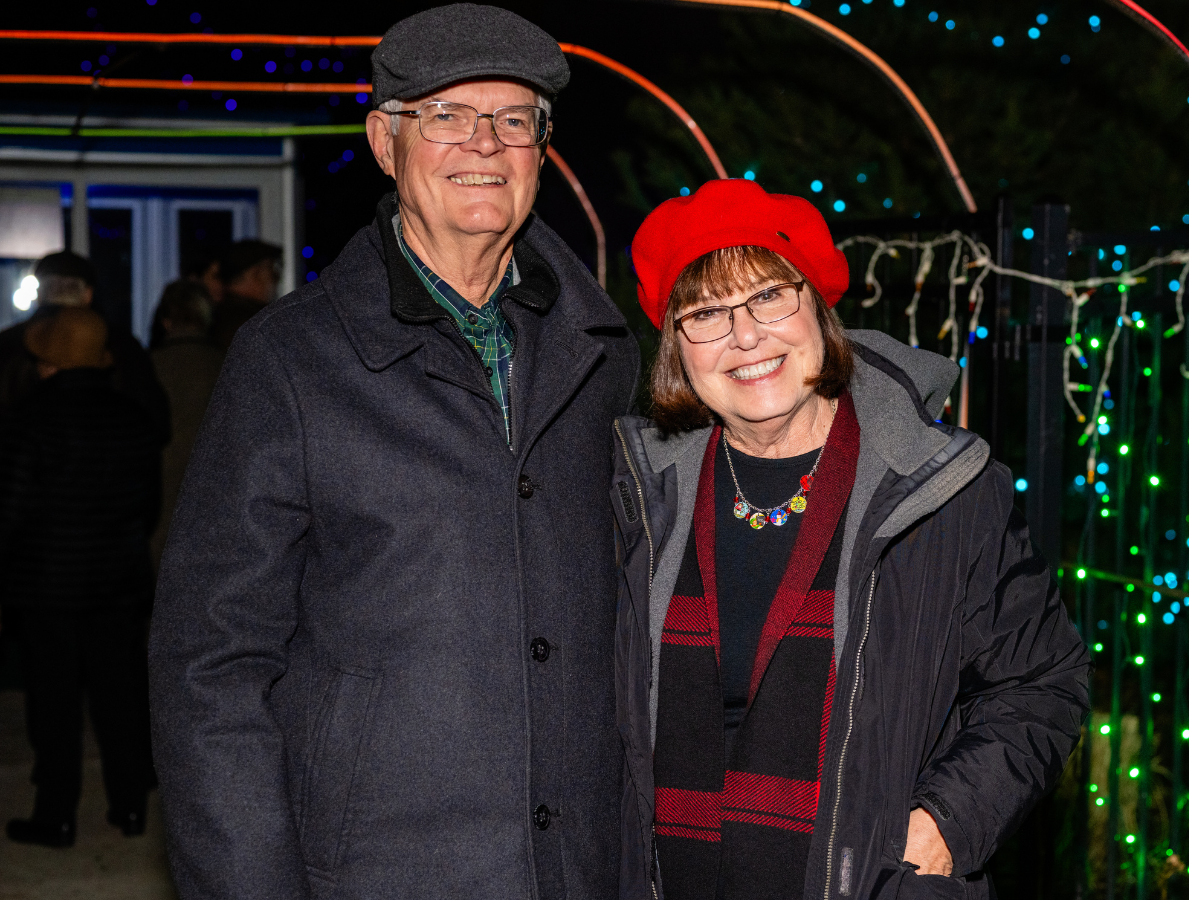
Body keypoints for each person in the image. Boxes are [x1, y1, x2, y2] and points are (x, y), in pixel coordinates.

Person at [149, 5, 639, 899]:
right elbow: (211, 663)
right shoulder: (291, 360)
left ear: (541, 149)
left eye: (514, 119)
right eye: (446, 115)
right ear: (386, 141)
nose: (484, 144)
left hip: (580, 865)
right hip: (378, 867)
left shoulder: (603, 352)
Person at [611, 179, 1090, 900]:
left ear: (817, 305)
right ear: (676, 347)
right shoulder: (634, 493)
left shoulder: (944, 489)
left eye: (769, 295)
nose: (745, 336)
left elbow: (1042, 683)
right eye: (705, 313)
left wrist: (950, 821)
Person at [0, 308, 159, 848]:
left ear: (46, 362)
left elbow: (11, 511)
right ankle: (131, 807)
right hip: (118, 583)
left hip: (47, 589)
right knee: (120, 698)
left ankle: (57, 816)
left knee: (54, 705)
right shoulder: (133, 419)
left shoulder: (28, 418)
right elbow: (148, 507)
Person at [0, 251, 170, 443]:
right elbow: (156, 422)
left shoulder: (7, 344)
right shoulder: (122, 345)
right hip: (112, 465)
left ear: (39, 294)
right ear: (88, 294)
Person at [148, 280, 224, 570]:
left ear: (166, 321)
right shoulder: (226, 367)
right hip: (211, 506)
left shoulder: (147, 369)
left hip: (158, 503)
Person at [209, 239, 282, 350]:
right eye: (271, 270)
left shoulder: (218, 316)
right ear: (255, 274)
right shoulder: (251, 324)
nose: (276, 278)